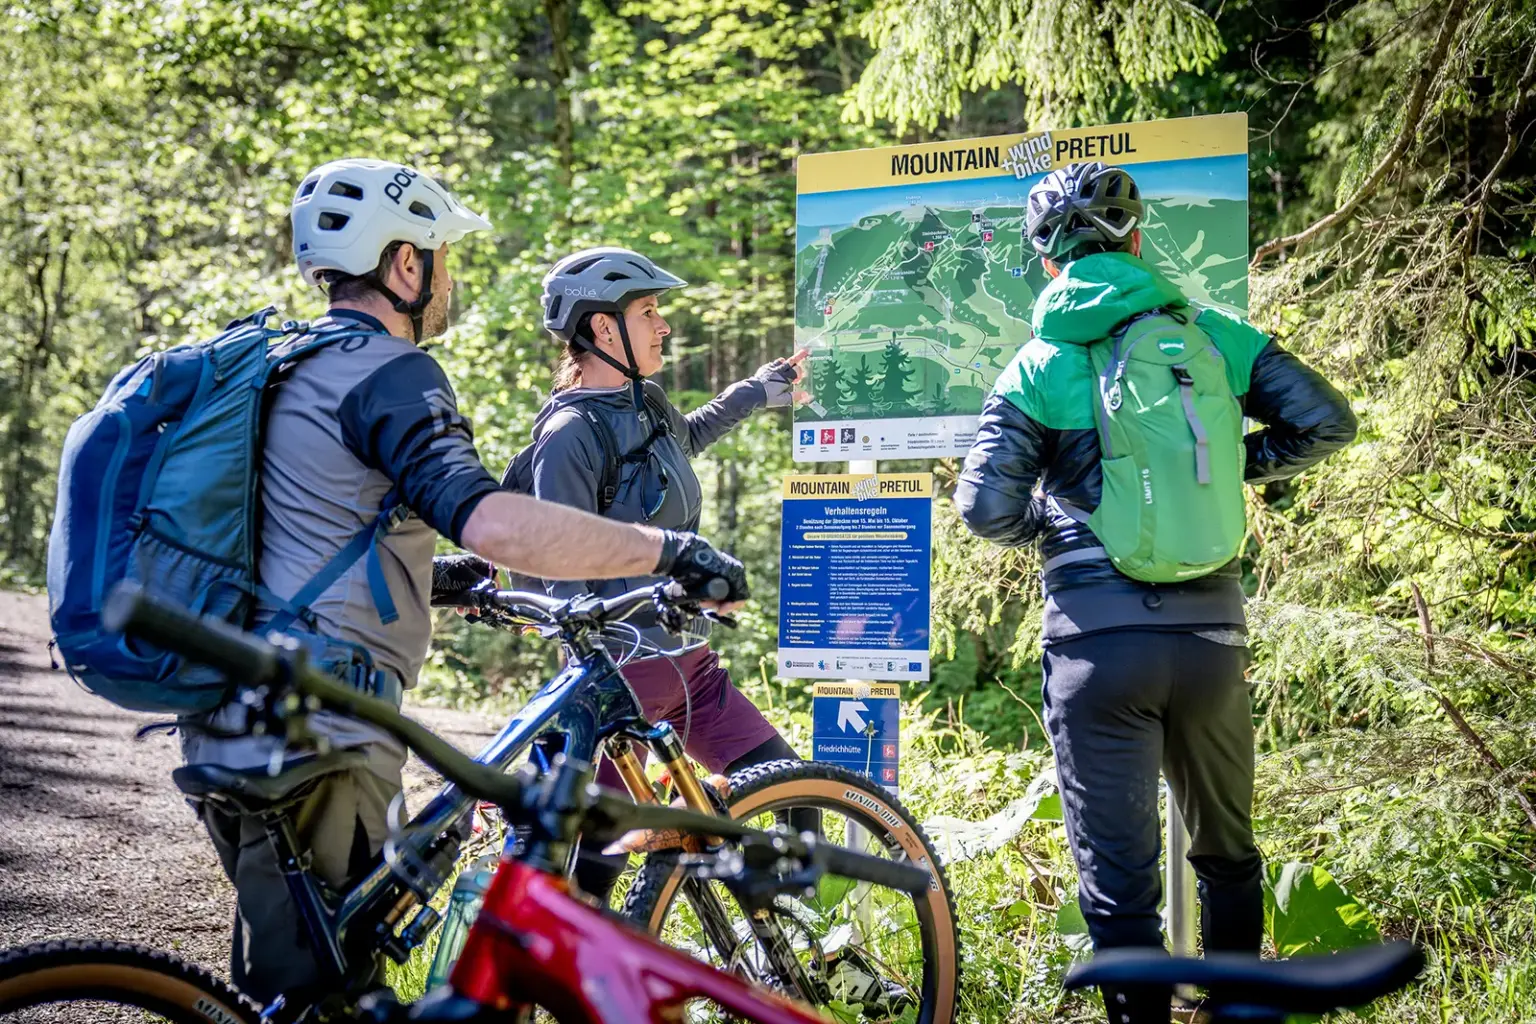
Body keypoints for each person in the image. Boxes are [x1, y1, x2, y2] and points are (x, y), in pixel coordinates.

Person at [181, 160, 749, 1007]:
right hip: (322, 727)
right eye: (442, 255)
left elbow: (307, 533)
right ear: (404, 266)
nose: (450, 277)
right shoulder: (392, 373)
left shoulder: (284, 366)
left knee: (291, 981)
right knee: (326, 996)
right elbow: (491, 518)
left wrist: (445, 579)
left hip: (226, 706)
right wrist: (669, 550)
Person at [955, 162, 1357, 1024]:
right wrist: (1227, 473)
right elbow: (1328, 420)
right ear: (1136, 241)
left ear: (1049, 261)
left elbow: (984, 508)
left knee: (1120, 877)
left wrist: (1056, 524)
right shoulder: (1215, 337)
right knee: (1228, 853)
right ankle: (1239, 1013)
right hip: (1213, 636)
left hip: (1098, 647)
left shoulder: (1040, 363)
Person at [522, 246, 811, 901]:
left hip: (687, 669)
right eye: (649, 311)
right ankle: (606, 977)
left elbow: (686, 437)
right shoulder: (568, 434)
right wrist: (596, 674)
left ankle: (789, 959)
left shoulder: (645, 401)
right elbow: (558, 558)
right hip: (618, 688)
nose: (664, 326)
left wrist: (758, 391)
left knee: (792, 796)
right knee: (592, 874)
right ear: (603, 329)